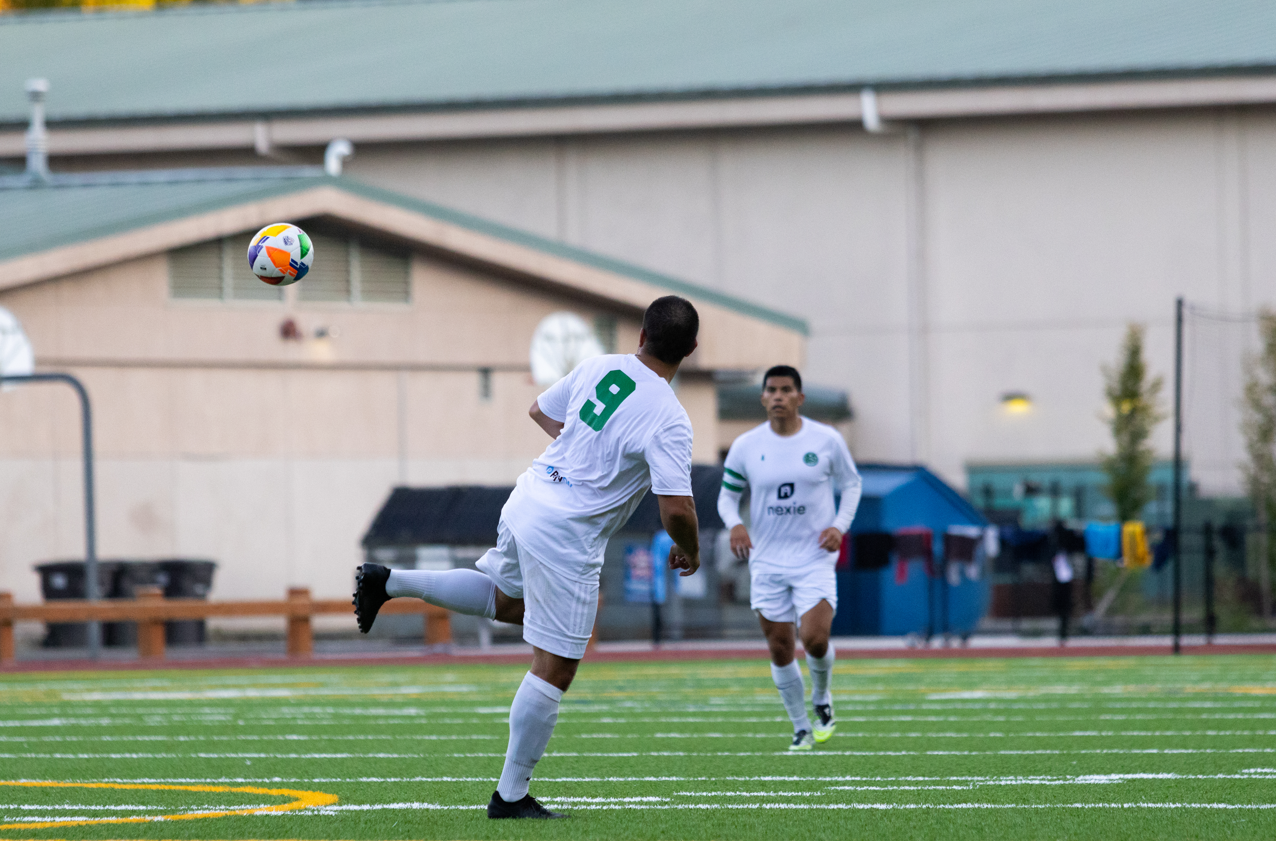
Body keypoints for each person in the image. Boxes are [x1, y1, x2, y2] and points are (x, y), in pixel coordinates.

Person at [353, 295, 702, 819]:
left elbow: (539, 409)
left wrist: (581, 451)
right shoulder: (670, 417)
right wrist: (690, 548)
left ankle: (389, 580)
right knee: (555, 666)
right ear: (691, 350)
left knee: (506, 600)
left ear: (640, 336)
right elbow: (676, 508)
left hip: (530, 497)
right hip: (565, 533)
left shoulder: (599, 366)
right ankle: (510, 796)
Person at [716, 365, 861, 751]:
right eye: (771, 390)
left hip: (814, 557)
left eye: (786, 390)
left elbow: (851, 485)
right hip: (766, 561)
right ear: (762, 398)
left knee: (814, 639)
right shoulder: (746, 445)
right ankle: (800, 727)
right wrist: (735, 524)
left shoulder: (826, 440)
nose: (778, 396)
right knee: (780, 646)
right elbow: (727, 497)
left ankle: (822, 697)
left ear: (800, 397)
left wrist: (839, 527)